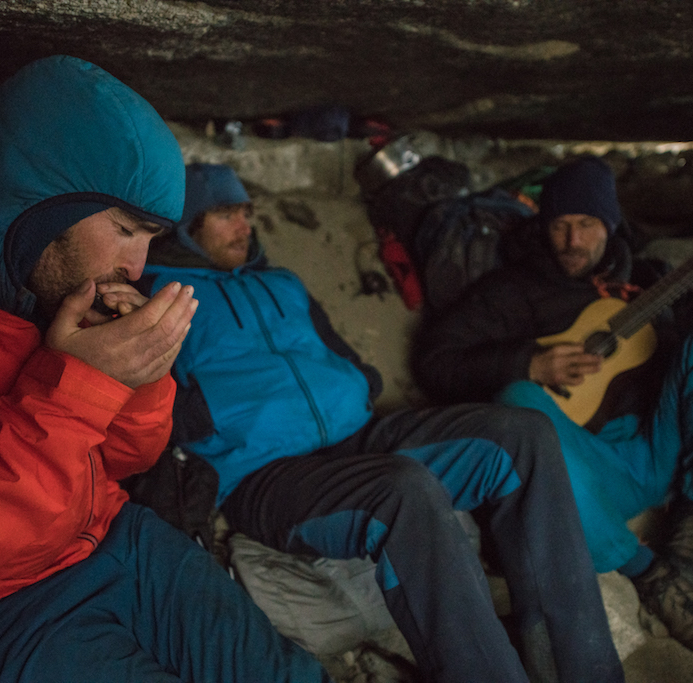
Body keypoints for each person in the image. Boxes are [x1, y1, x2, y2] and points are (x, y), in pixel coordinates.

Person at [0, 56, 333, 682]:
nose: (136, 268)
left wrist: (140, 380)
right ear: (42, 203)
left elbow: (120, 464)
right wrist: (72, 393)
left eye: (151, 240)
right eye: (127, 230)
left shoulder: (38, 287)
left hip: (116, 537)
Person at [131, 162, 626, 683]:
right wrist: (220, 412)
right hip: (267, 475)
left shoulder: (282, 283)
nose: (245, 226)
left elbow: (340, 353)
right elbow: (144, 418)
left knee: (523, 434)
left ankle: (586, 671)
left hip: (357, 436)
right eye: (227, 214)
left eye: (247, 213)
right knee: (403, 491)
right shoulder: (156, 298)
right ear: (187, 224)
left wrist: (356, 381)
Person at [413, 155, 693, 666]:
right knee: (515, 405)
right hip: (583, 475)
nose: (573, 241)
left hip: (665, 453)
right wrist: (527, 362)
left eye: (587, 225)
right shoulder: (510, 292)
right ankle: (651, 577)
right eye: (561, 225)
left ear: (609, 226)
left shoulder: (654, 281)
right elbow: (435, 361)